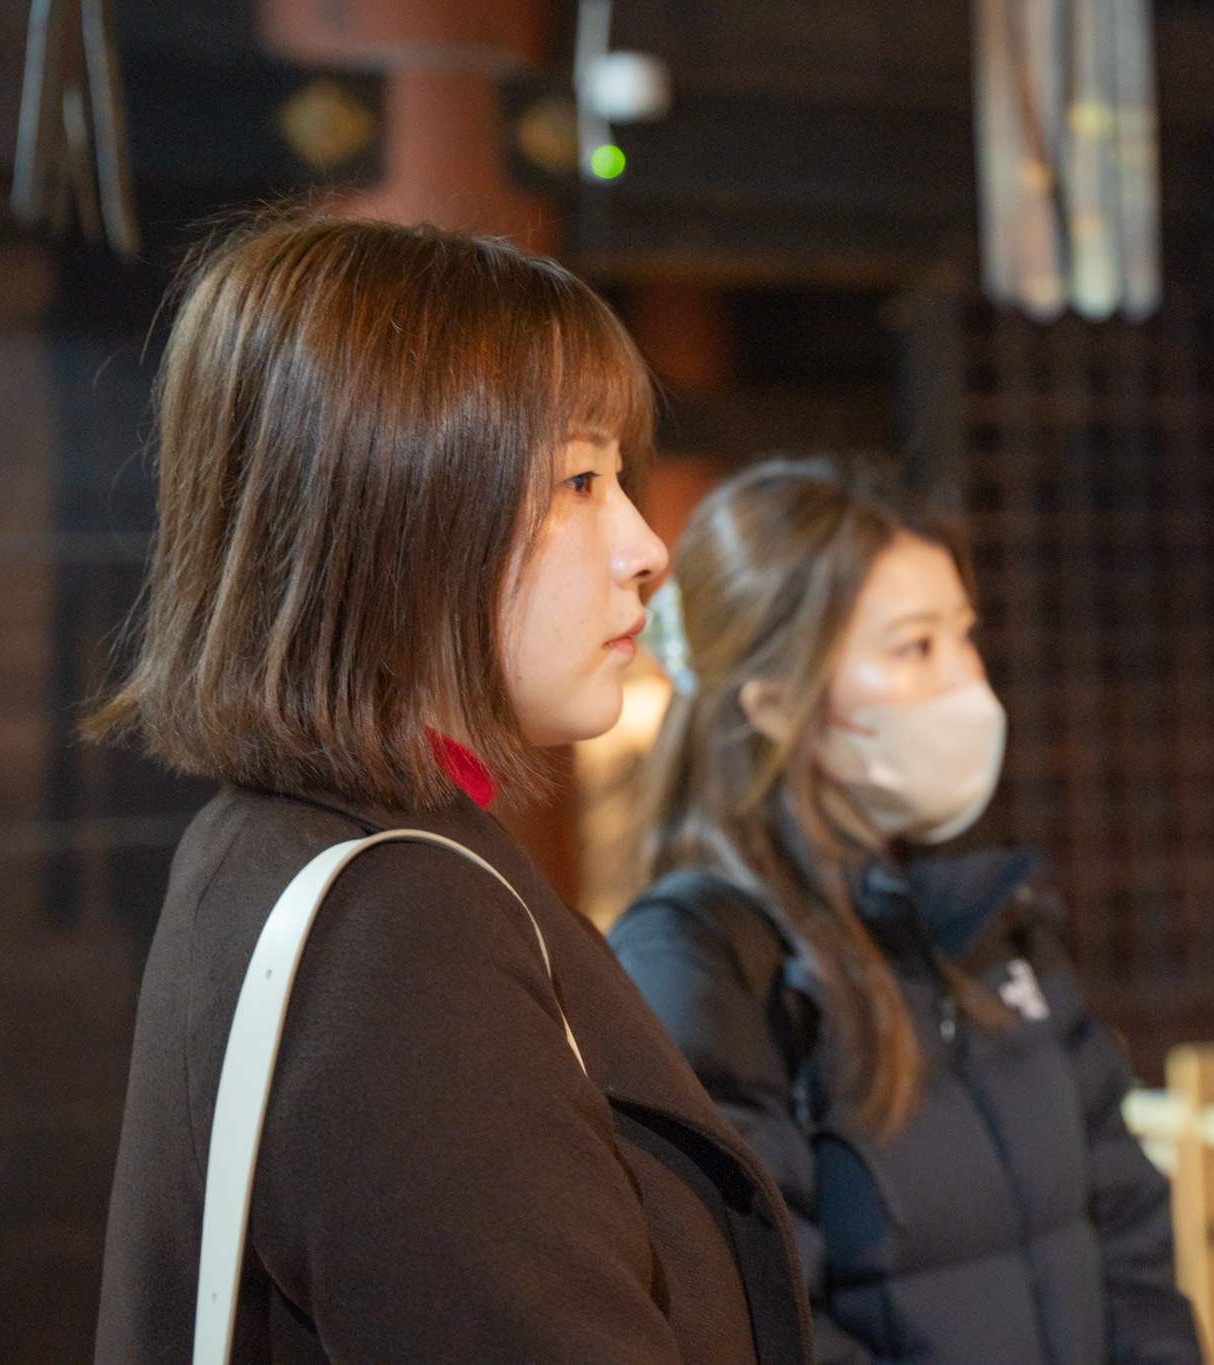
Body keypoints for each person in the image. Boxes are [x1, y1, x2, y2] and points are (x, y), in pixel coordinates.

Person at [88, 214, 808, 1364]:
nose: (642, 545)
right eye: (579, 478)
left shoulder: (271, 839)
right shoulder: (393, 931)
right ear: (393, 508)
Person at [610, 457, 1203, 1365]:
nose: (968, 682)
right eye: (916, 647)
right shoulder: (700, 962)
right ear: (777, 702)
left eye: (965, 636)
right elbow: (766, 1317)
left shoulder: (990, 919)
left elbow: (1128, 1229)